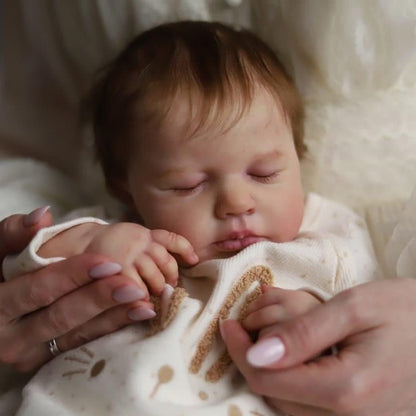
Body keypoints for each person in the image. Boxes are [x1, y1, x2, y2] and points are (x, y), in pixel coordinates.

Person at [3, 21, 382, 415]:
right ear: (125, 187)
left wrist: (321, 325)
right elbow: (28, 267)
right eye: (188, 185)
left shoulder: (327, 235)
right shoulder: (120, 233)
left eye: (264, 173)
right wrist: (92, 246)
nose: (236, 203)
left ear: (297, 156)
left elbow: (370, 310)